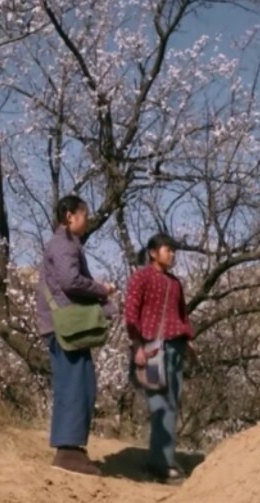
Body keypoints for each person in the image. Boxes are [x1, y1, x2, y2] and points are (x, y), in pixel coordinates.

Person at [36, 195, 116, 476]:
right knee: (76, 386)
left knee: (79, 383)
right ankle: (68, 451)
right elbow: (70, 281)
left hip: (64, 326)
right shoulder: (63, 244)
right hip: (64, 327)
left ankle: (71, 448)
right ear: (70, 216)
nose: (88, 219)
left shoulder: (66, 244)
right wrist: (101, 290)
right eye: (84, 214)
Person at [124, 233, 197, 484]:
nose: (172, 254)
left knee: (173, 403)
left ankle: (164, 459)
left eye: (174, 251)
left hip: (174, 348)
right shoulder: (140, 277)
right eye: (168, 250)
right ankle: (161, 463)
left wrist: (188, 341)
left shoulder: (176, 283)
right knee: (159, 404)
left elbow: (182, 315)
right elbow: (131, 314)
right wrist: (137, 348)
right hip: (151, 348)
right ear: (154, 252)